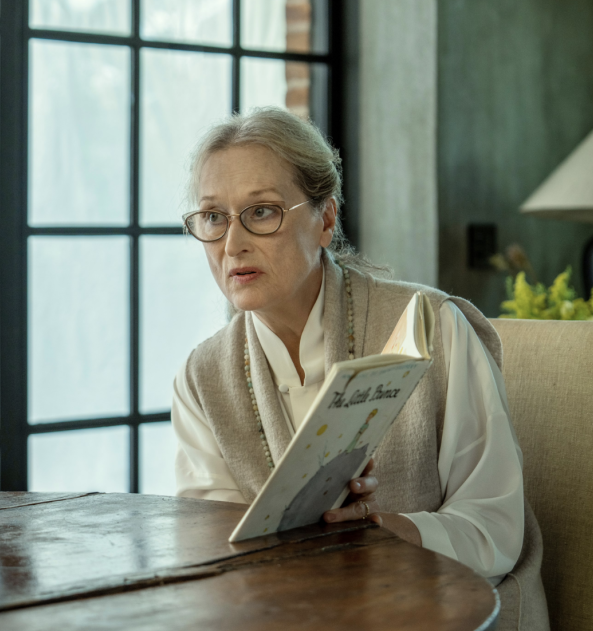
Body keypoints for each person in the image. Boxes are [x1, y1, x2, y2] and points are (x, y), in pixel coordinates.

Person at [170, 107, 548, 631]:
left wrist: (387, 530)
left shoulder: (431, 327)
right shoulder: (201, 379)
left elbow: (497, 527)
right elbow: (213, 552)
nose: (232, 245)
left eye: (262, 211)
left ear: (326, 218)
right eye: (213, 217)